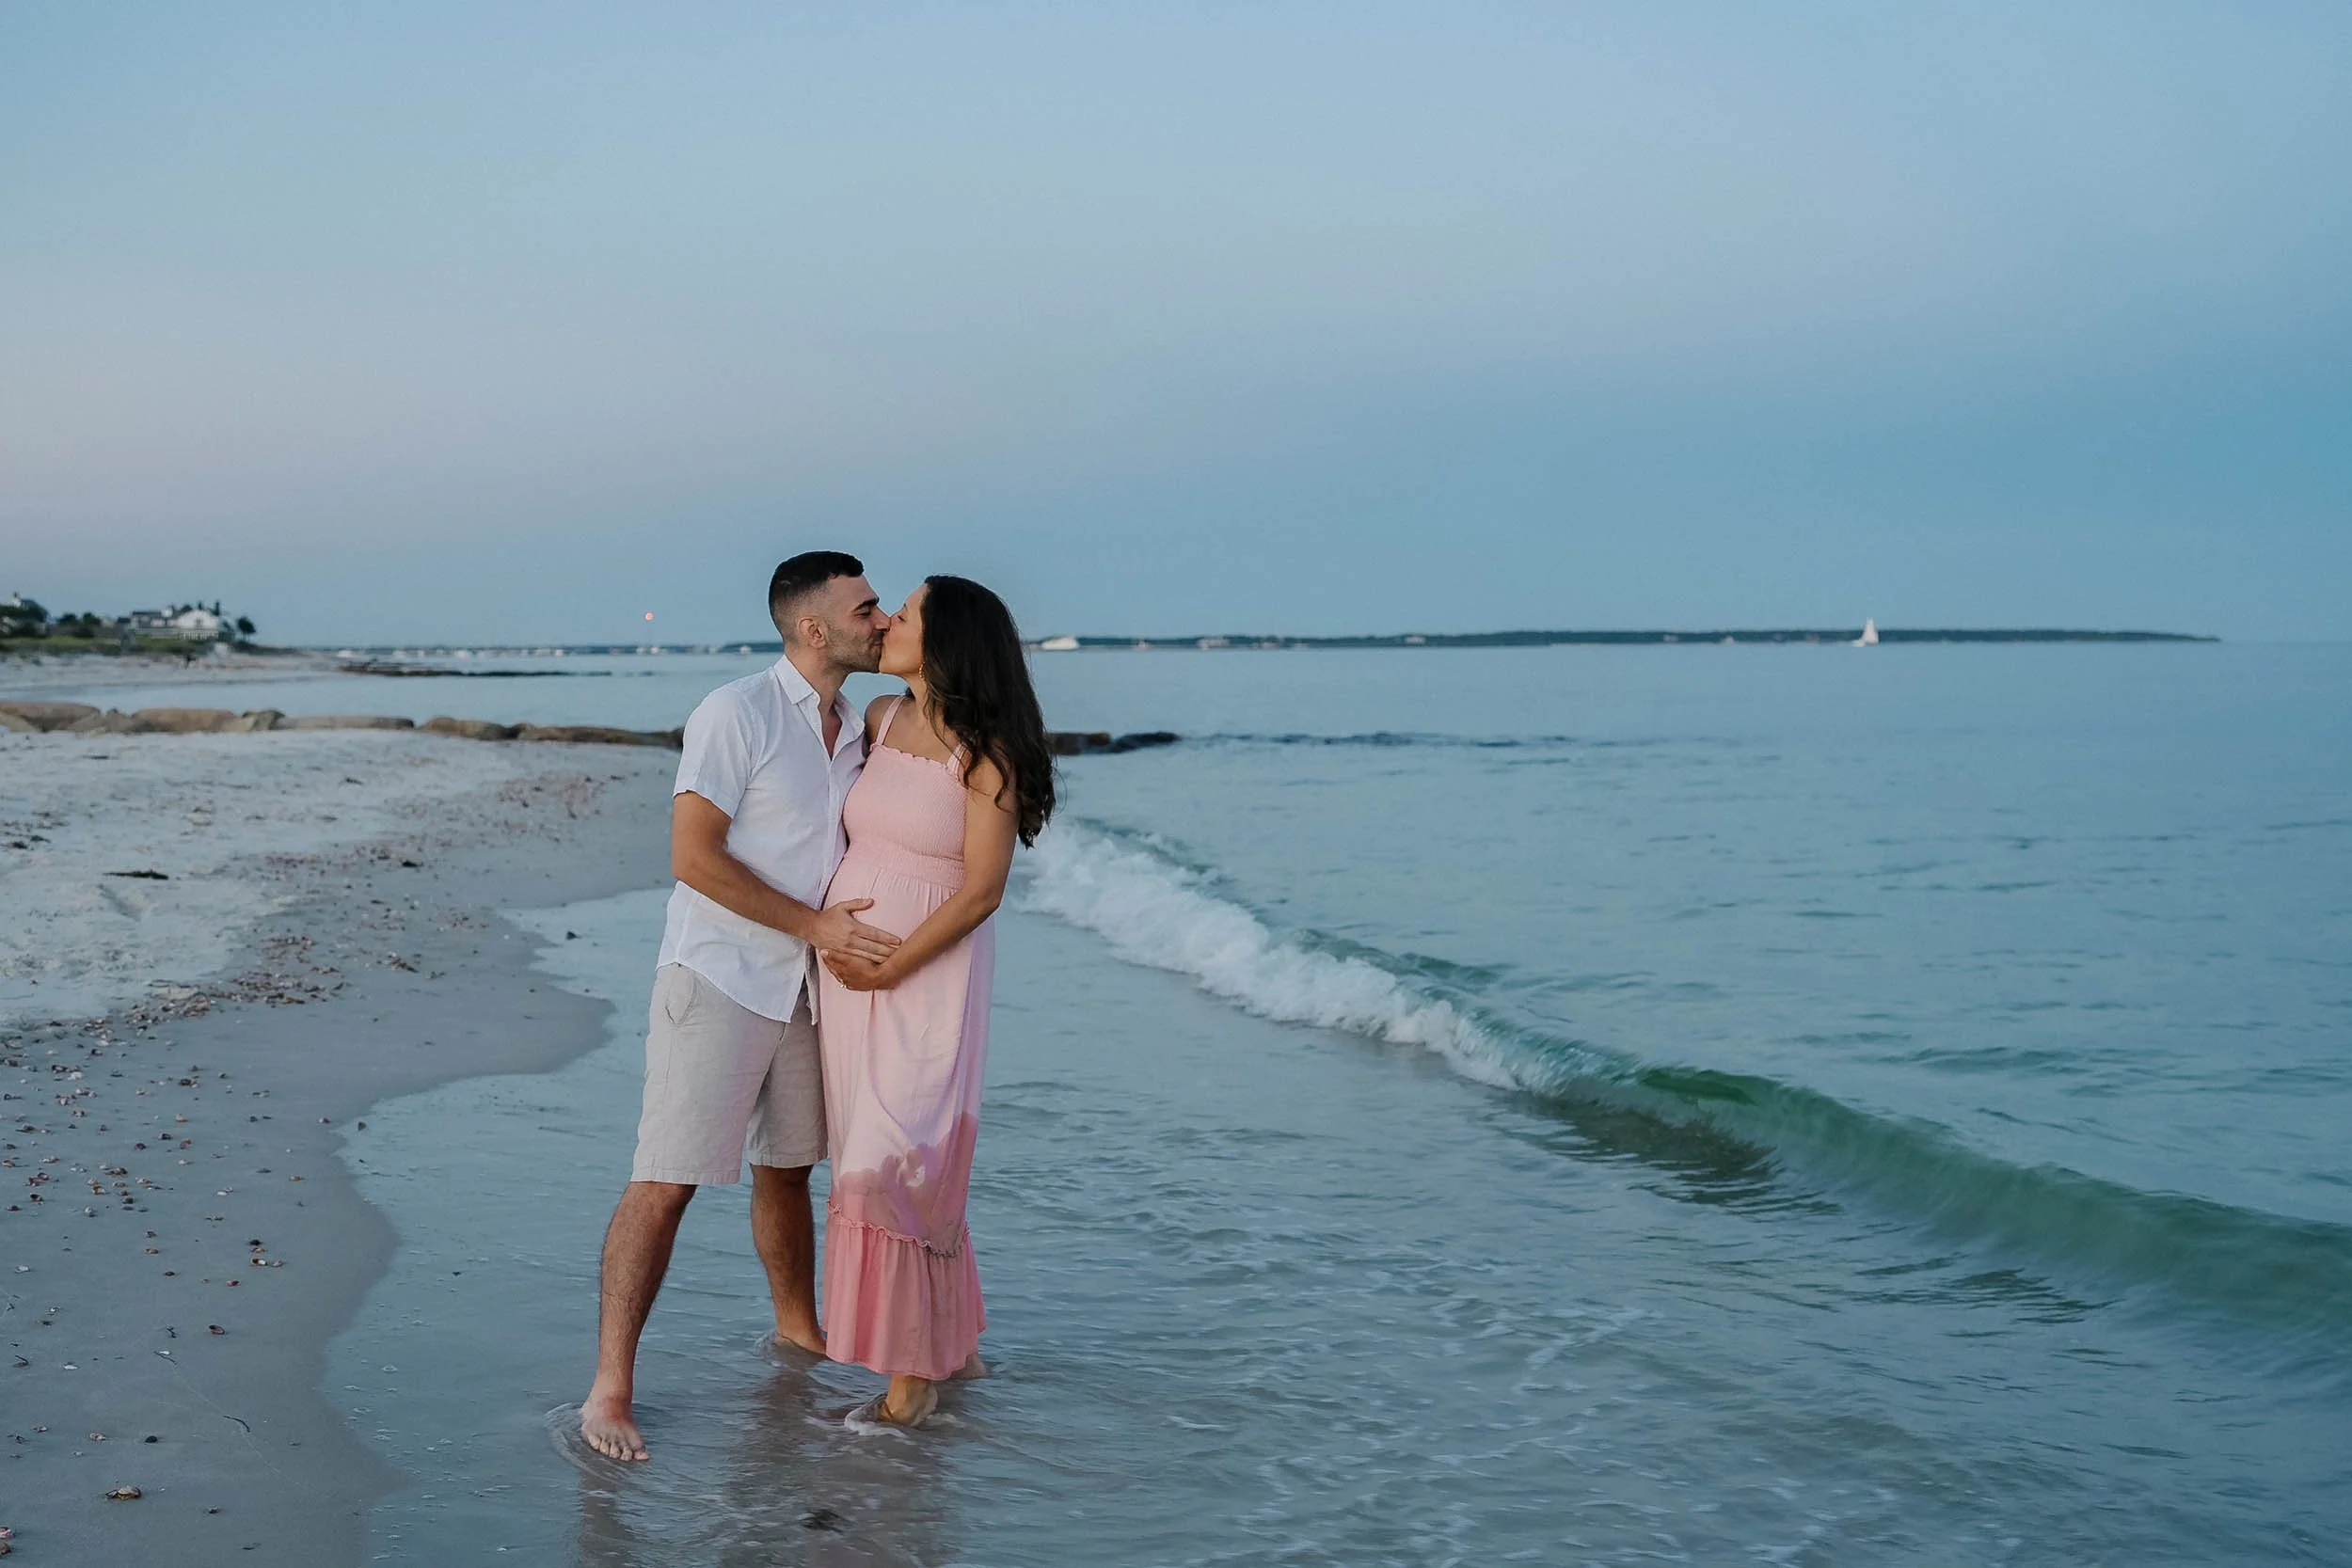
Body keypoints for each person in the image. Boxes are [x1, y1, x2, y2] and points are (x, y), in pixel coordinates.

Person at [580, 551, 901, 1464]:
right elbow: (692, 853)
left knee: (790, 1168)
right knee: (667, 1179)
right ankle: (610, 1384)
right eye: (867, 606)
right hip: (720, 973)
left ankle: (800, 1330)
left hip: (806, 983)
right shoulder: (737, 711)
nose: (880, 619)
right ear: (813, 627)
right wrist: (817, 925)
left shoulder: (855, 726)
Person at [816, 575, 1056, 1428]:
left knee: (903, 1157)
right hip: (848, 983)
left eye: (906, 614)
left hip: (927, 975)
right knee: (862, 1154)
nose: (888, 624)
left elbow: (982, 890)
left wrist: (892, 966)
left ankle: (912, 1376)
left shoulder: (987, 752)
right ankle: (948, 1345)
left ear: (947, 641)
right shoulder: (878, 720)